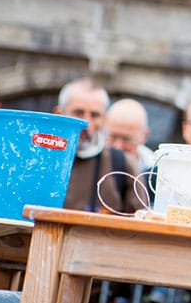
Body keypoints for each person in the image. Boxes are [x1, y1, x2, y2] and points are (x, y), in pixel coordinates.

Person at [55, 79, 144, 214]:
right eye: (78, 112)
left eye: (95, 115)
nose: (87, 123)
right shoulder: (38, 157)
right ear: (59, 114)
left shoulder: (122, 165)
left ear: (104, 119)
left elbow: (140, 226)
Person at [105, 98, 155, 172]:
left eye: (126, 139)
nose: (117, 146)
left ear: (144, 136)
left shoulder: (154, 170)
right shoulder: (91, 162)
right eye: (113, 136)